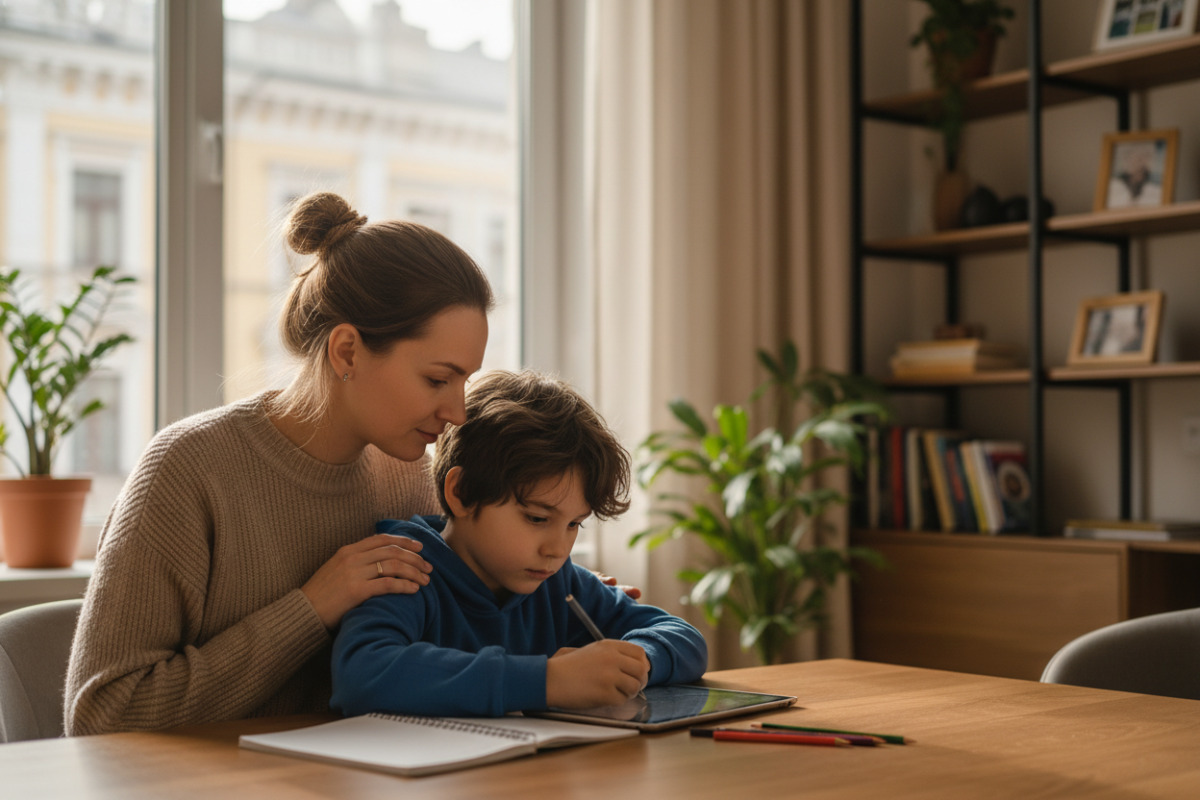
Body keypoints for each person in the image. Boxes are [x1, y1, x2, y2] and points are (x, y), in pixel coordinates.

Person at [64, 191, 495, 735]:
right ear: (347, 352)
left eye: (465, 381)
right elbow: (102, 715)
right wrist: (314, 607)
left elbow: (445, 651)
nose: (457, 411)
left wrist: (557, 600)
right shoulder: (188, 471)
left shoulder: (409, 479)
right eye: (438, 379)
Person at [330, 369, 708, 718]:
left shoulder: (560, 585)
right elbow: (361, 676)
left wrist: (636, 661)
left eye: (574, 524)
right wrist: (548, 681)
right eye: (537, 519)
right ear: (461, 493)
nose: (557, 549)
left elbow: (685, 639)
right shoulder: (406, 567)